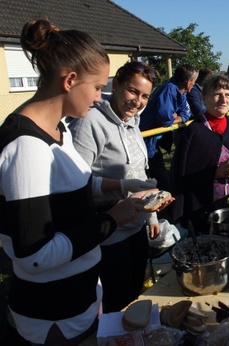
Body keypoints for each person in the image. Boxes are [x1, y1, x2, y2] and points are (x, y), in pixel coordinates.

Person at [0, 19, 160, 345]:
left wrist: (123, 187)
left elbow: (75, 187)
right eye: (98, 87)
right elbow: (33, 255)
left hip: (80, 298)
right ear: (70, 80)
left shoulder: (59, 130)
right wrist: (112, 219)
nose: (101, 98)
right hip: (54, 314)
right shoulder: (26, 147)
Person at [68, 61, 164, 313]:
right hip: (108, 231)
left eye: (145, 96)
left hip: (136, 225)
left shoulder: (133, 122)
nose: (138, 101)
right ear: (117, 84)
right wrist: (122, 185)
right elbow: (75, 184)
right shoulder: (90, 123)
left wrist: (151, 215)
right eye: (133, 91)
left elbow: (141, 174)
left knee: (134, 292)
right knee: (116, 301)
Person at [171, 74, 229, 233]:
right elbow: (181, 175)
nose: (224, 100)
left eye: (228, 95)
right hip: (203, 211)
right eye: (217, 94)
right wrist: (214, 173)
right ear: (204, 98)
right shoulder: (193, 133)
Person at [139, 64, 198, 192]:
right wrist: (176, 117)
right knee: (156, 169)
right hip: (146, 137)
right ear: (188, 83)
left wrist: (177, 117)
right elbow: (164, 120)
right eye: (194, 82)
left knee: (156, 168)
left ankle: (164, 194)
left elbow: (186, 112)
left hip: (153, 137)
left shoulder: (179, 91)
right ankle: (167, 196)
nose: (194, 85)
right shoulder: (169, 89)